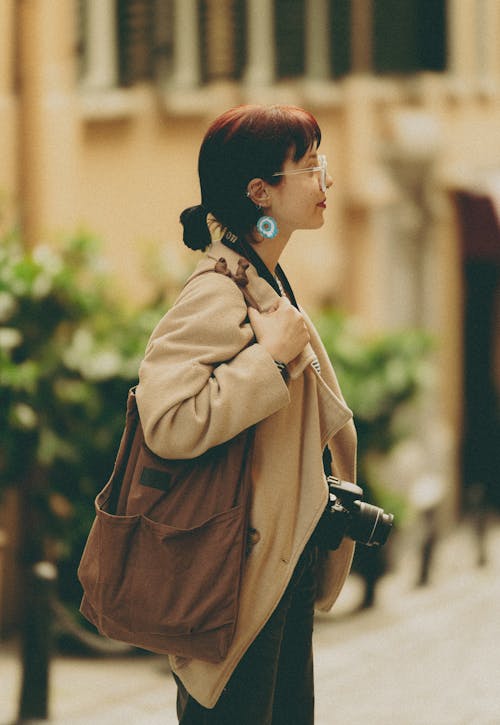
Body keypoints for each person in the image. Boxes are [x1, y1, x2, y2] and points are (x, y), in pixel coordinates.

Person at [135, 104, 357, 724]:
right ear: (260, 191)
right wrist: (271, 362)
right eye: (310, 167)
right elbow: (168, 421)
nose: (326, 181)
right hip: (235, 576)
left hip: (280, 564)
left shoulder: (267, 277)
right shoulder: (216, 289)